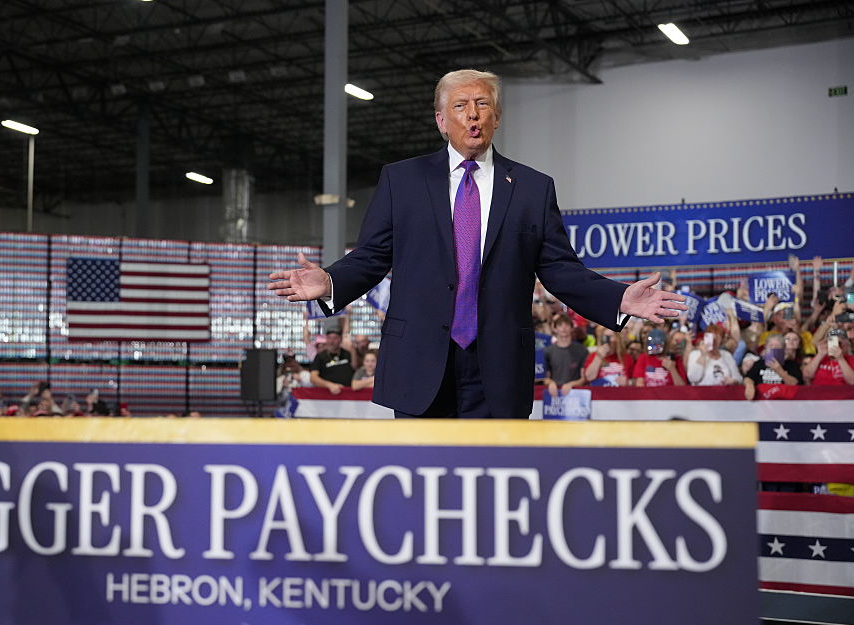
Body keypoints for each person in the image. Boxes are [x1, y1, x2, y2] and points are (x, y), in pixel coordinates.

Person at [268, 69, 685, 418]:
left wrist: (617, 299)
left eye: (482, 104)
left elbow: (559, 269)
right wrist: (331, 281)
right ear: (440, 120)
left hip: (498, 368)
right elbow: (373, 256)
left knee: (493, 483)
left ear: (496, 117)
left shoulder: (532, 188)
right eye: (460, 105)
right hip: (419, 362)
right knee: (424, 481)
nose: (473, 114)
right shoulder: (402, 180)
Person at [743, 333, 802, 400]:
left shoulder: (792, 365)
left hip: (783, 401)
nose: (773, 348)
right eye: (771, 346)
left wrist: (779, 371)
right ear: (766, 348)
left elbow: (795, 384)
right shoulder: (759, 363)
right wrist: (749, 385)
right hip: (762, 400)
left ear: (783, 349)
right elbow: (748, 377)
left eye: (777, 346)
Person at [543, 313, 587, 396]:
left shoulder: (582, 350)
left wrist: (571, 384)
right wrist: (550, 383)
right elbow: (545, 377)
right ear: (554, 329)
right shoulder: (547, 351)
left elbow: (584, 378)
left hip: (575, 393)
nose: (563, 328)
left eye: (567, 325)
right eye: (560, 325)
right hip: (553, 393)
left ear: (572, 328)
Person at [309, 329, 353, 395]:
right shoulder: (320, 356)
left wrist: (353, 349)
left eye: (335, 338)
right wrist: (329, 385)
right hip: (328, 395)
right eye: (329, 338)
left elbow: (356, 367)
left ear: (340, 340)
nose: (332, 341)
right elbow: (313, 378)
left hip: (349, 393)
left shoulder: (347, 354)